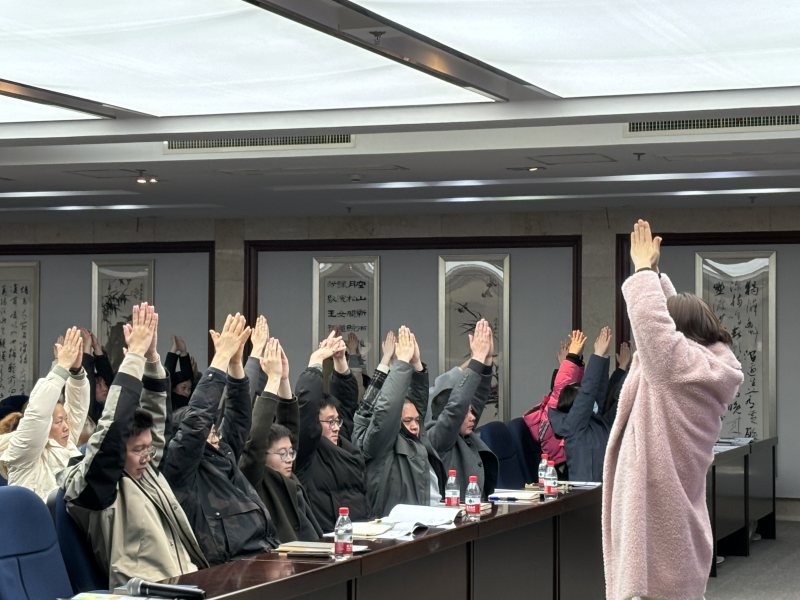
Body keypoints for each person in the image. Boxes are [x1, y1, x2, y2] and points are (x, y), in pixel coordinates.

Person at [602, 220, 744, 600]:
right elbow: (664, 331)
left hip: (659, 539)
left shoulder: (675, 371)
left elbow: (656, 330)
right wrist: (655, 275)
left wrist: (643, 272)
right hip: (678, 530)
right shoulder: (703, 370)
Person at [63, 303, 207, 589]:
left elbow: (156, 418)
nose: (147, 457)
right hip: (147, 592)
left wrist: (152, 359)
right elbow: (113, 427)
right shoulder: (95, 485)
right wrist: (134, 357)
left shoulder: (146, 471)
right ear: (119, 451)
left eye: (148, 448)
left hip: (187, 582)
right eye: (137, 450)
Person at [162, 313, 279, 565]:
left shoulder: (223, 455)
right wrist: (221, 358)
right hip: (226, 570)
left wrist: (236, 364)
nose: (216, 438)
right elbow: (196, 422)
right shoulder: (180, 470)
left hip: (262, 555)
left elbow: (238, 418)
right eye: (209, 433)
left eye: (215, 431)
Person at [354, 326, 446, 517]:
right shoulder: (382, 442)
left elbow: (416, 404)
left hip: (432, 518)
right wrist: (400, 363)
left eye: (416, 420)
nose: (415, 425)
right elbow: (386, 410)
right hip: (403, 527)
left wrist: (416, 364)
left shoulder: (414, 435)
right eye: (408, 420)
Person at [240, 338, 323, 542]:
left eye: (290, 453)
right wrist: (273, 379)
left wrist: (284, 379)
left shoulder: (288, 475)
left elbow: (290, 427)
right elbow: (256, 439)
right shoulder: (255, 478)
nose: (289, 459)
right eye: (282, 454)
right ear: (264, 456)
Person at [0, 327, 89, 500]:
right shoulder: (23, 453)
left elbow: (77, 408)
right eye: (59, 422)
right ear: (44, 427)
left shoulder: (65, 442)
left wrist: (76, 371)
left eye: (65, 420)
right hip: (40, 517)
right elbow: (38, 414)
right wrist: (61, 367)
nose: (66, 427)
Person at [294, 330, 370, 532]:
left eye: (337, 421)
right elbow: (306, 404)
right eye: (329, 422)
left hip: (361, 533)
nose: (336, 427)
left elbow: (346, 401)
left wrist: (340, 360)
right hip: (326, 538)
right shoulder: (306, 451)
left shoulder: (345, 444)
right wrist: (317, 360)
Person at [426, 318, 497, 500]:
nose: (473, 417)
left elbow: (478, 397)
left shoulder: (463, 430)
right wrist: (477, 359)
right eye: (466, 414)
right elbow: (457, 406)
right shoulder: (439, 437)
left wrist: (487, 361)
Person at [547, 326, 617, 483]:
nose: (591, 403)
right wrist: (596, 356)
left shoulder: (594, 421)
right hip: (586, 492)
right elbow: (588, 391)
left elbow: (598, 391)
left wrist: (603, 356)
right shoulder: (575, 425)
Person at [523, 330, 587, 479]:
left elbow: (572, 384)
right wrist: (572, 357)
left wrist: (575, 360)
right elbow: (562, 385)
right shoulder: (553, 412)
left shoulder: (556, 408)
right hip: (559, 472)